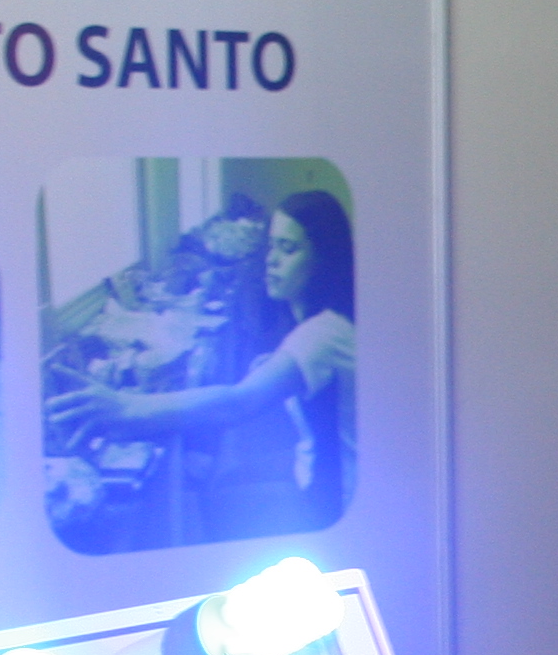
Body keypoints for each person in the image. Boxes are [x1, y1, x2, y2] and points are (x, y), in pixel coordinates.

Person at [48, 188, 356, 526]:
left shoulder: (323, 334)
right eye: (271, 245)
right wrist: (277, 365)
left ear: (324, 258)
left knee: (217, 499)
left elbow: (236, 404)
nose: (271, 260)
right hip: (320, 473)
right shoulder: (323, 325)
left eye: (289, 248)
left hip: (338, 497)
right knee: (218, 485)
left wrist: (125, 407)